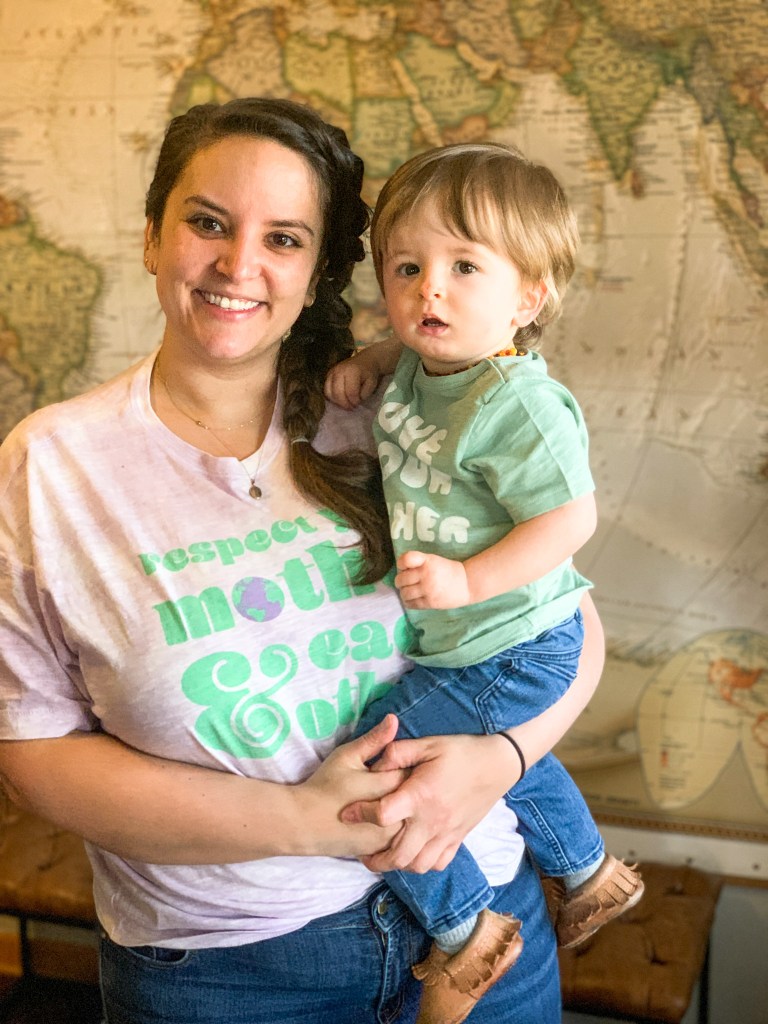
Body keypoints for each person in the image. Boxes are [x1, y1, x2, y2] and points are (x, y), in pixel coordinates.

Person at [0, 99, 604, 1024]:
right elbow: (32, 753)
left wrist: (502, 758)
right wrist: (305, 821)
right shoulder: (49, 467)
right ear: (153, 236)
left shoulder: (399, 408)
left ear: (320, 270)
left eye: (283, 238)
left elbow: (567, 622)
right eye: (208, 223)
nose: (239, 264)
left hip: (492, 915)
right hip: (229, 973)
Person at [325, 142, 643, 1023]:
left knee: (381, 756)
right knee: (490, 752)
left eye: (465, 267)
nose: (430, 289)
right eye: (407, 268)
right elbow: (406, 345)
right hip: (485, 641)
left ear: (528, 298)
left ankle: (468, 932)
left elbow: (569, 521)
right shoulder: (429, 364)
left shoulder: (518, 404)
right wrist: (373, 360)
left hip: (514, 639)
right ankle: (588, 871)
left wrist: (468, 580)